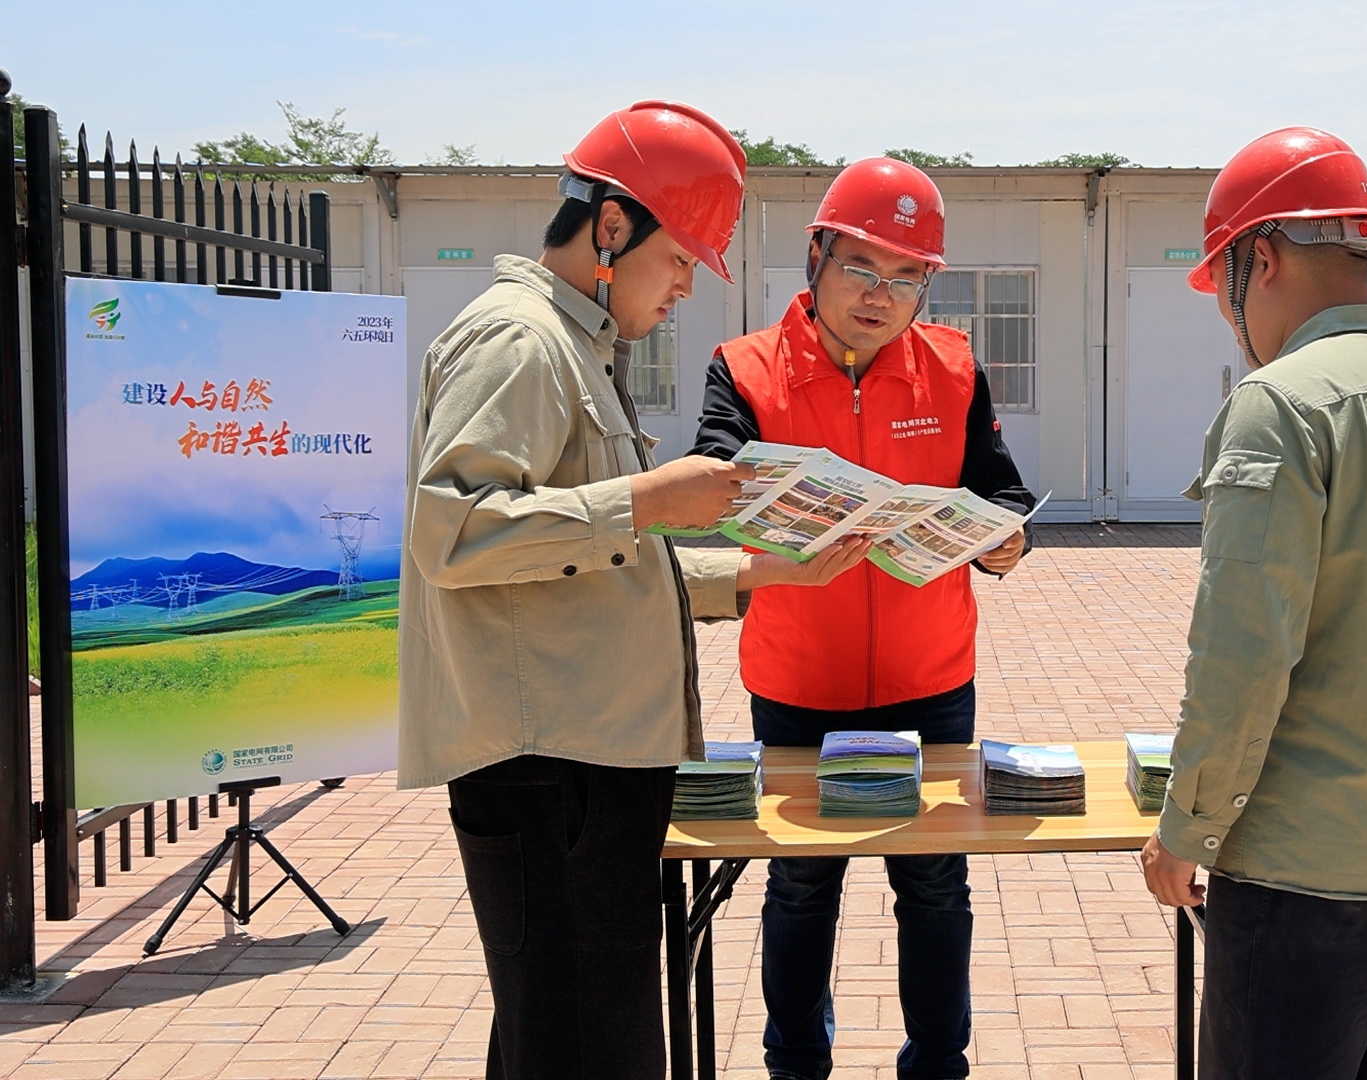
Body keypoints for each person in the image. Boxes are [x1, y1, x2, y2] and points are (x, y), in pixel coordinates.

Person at [398, 102, 864, 1080]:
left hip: (582, 764)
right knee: (584, 1045)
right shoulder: (521, 342)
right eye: (681, 258)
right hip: (549, 771)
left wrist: (755, 570)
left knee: (560, 1039)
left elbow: (590, 563)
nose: (687, 286)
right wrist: (647, 499)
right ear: (611, 226)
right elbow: (455, 532)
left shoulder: (575, 346)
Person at [1137, 128, 1367, 1079]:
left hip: (1301, 867)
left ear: (1259, 259)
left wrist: (1188, 827)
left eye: (1225, 286)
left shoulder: (1281, 404)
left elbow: (1244, 652)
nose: (1233, 319)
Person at [690, 156, 1036, 1080]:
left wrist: (1004, 543)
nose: (882, 296)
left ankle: (939, 1061)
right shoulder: (744, 369)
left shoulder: (954, 368)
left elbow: (999, 492)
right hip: (799, 680)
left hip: (932, 678)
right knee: (802, 881)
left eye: (907, 276)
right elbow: (711, 488)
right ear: (816, 256)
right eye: (861, 268)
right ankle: (796, 1060)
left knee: (935, 881)